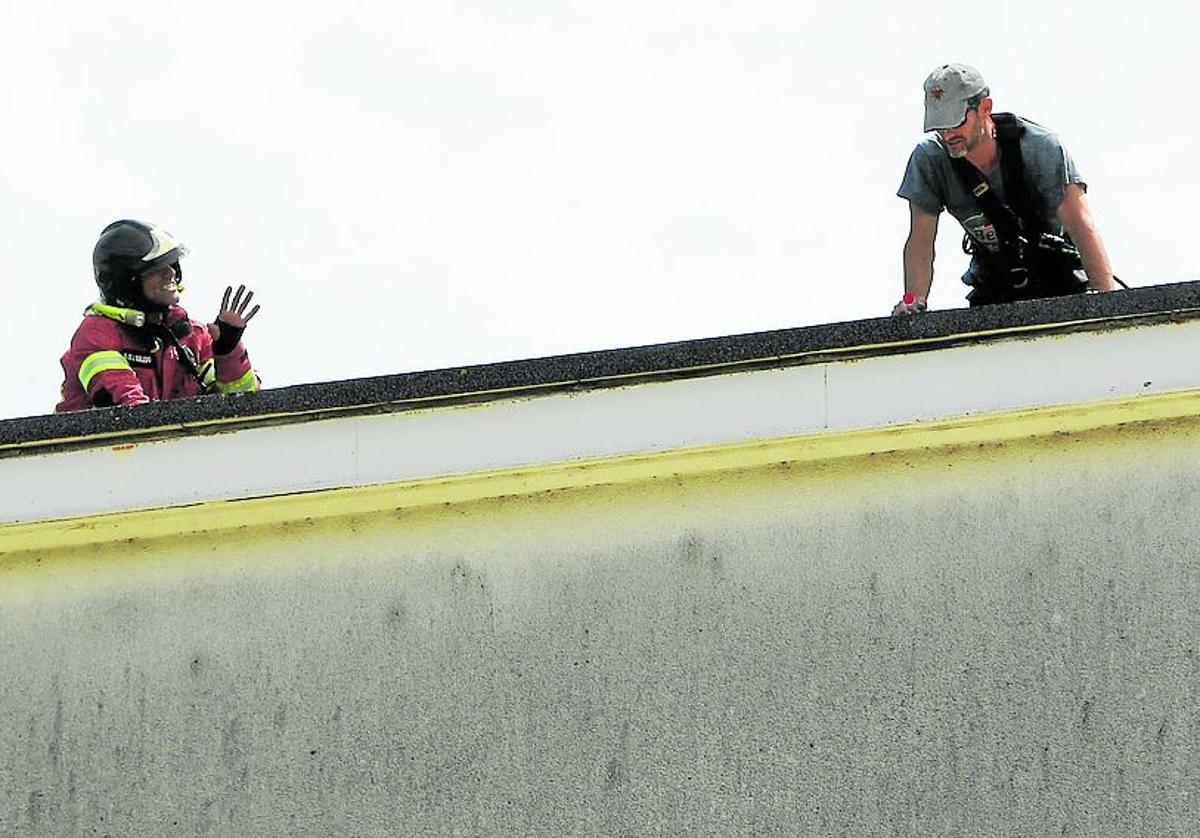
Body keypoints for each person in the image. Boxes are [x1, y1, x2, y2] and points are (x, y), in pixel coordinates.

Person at [893, 63, 1116, 315]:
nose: (948, 134)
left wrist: (1105, 301)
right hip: (992, 282)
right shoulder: (930, 159)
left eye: (956, 122)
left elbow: (1081, 225)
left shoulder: (1039, 147)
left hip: (1059, 278)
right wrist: (912, 300)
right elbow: (920, 242)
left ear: (985, 108)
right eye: (939, 125)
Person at [56, 219, 261, 411]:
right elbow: (127, 409)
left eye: (171, 264)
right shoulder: (97, 335)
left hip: (171, 447)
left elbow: (240, 409)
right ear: (127, 283)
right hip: (102, 449)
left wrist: (228, 351)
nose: (170, 273)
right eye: (156, 269)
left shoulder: (193, 336)